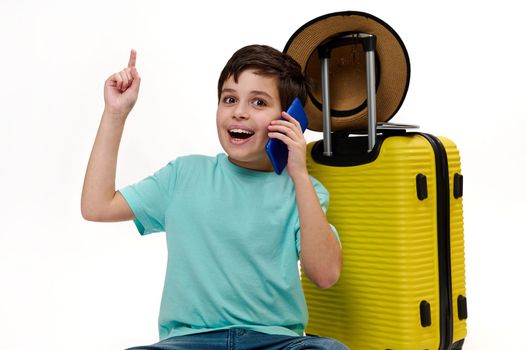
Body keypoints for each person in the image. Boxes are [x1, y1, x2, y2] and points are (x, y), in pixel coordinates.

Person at [81, 44, 347, 350]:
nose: (239, 112)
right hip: (187, 342)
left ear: (290, 120)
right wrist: (115, 114)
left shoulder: (305, 191)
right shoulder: (184, 175)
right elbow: (97, 206)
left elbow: (325, 274)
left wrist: (299, 174)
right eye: (229, 99)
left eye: (258, 102)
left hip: (276, 342)